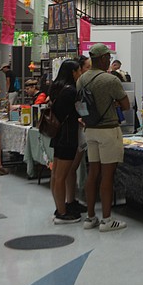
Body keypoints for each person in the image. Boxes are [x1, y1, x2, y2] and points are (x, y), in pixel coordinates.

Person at [78, 43, 130, 232]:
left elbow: (81, 106)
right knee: (107, 176)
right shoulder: (110, 80)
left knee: (93, 173)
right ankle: (106, 220)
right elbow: (126, 105)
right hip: (108, 130)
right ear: (102, 58)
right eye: (107, 57)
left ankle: (90, 217)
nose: (109, 59)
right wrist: (113, 103)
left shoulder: (81, 79)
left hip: (90, 129)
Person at [49, 59, 85, 224]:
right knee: (61, 176)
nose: (80, 74)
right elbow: (81, 112)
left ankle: (59, 206)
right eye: (78, 71)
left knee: (56, 174)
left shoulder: (56, 88)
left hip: (57, 134)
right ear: (73, 72)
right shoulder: (71, 91)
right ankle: (62, 213)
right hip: (68, 136)